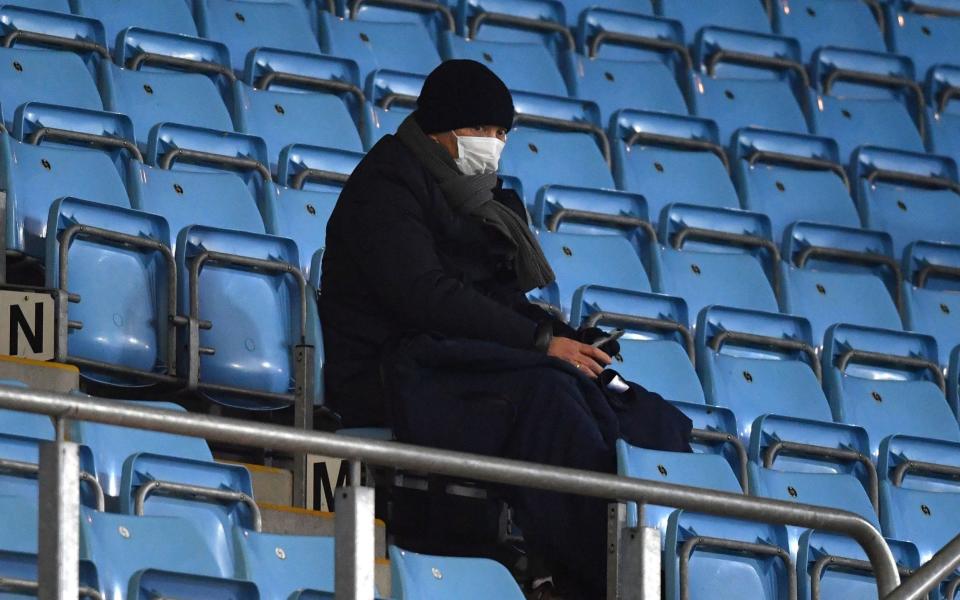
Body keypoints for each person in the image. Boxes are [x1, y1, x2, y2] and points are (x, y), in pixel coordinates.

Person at [320, 60, 691, 598]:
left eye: (500, 134)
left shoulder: (475, 199)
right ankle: (606, 577)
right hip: (394, 375)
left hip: (454, 362)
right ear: (440, 128)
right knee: (550, 394)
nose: (491, 144)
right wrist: (541, 344)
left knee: (632, 405)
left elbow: (497, 300)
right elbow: (427, 297)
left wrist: (561, 335)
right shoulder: (386, 186)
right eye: (480, 131)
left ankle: (665, 569)